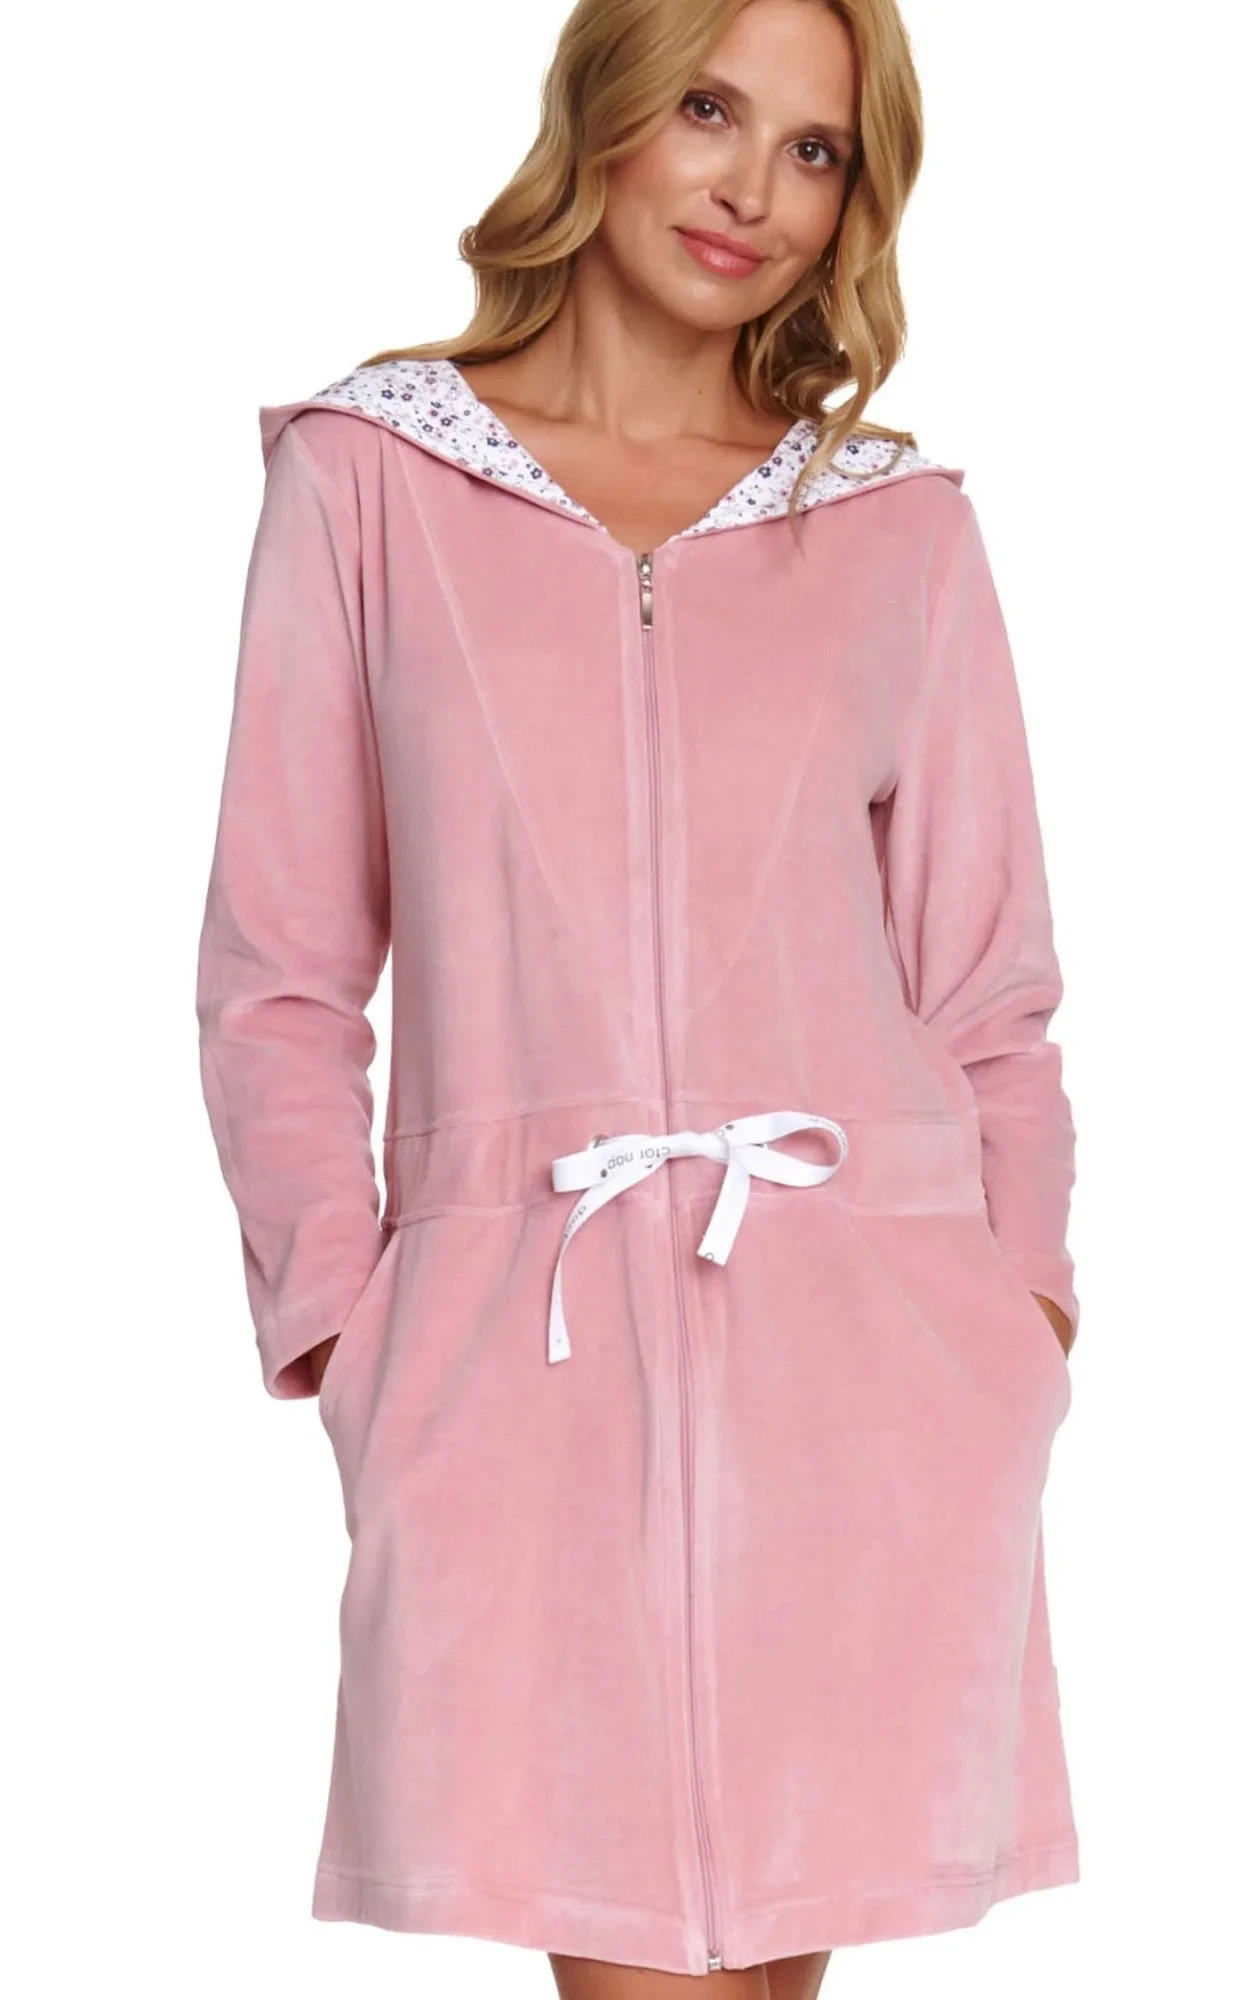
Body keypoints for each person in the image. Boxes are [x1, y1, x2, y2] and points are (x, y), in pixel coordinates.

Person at [194, 0, 1081, 1993]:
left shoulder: (894, 525)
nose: (753, 187)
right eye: (709, 107)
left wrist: (1018, 1306)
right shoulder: (368, 482)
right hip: (524, 1362)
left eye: (815, 150)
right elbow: (279, 969)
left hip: (871, 1369)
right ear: (606, 105)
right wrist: (346, 1319)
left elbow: (990, 985)